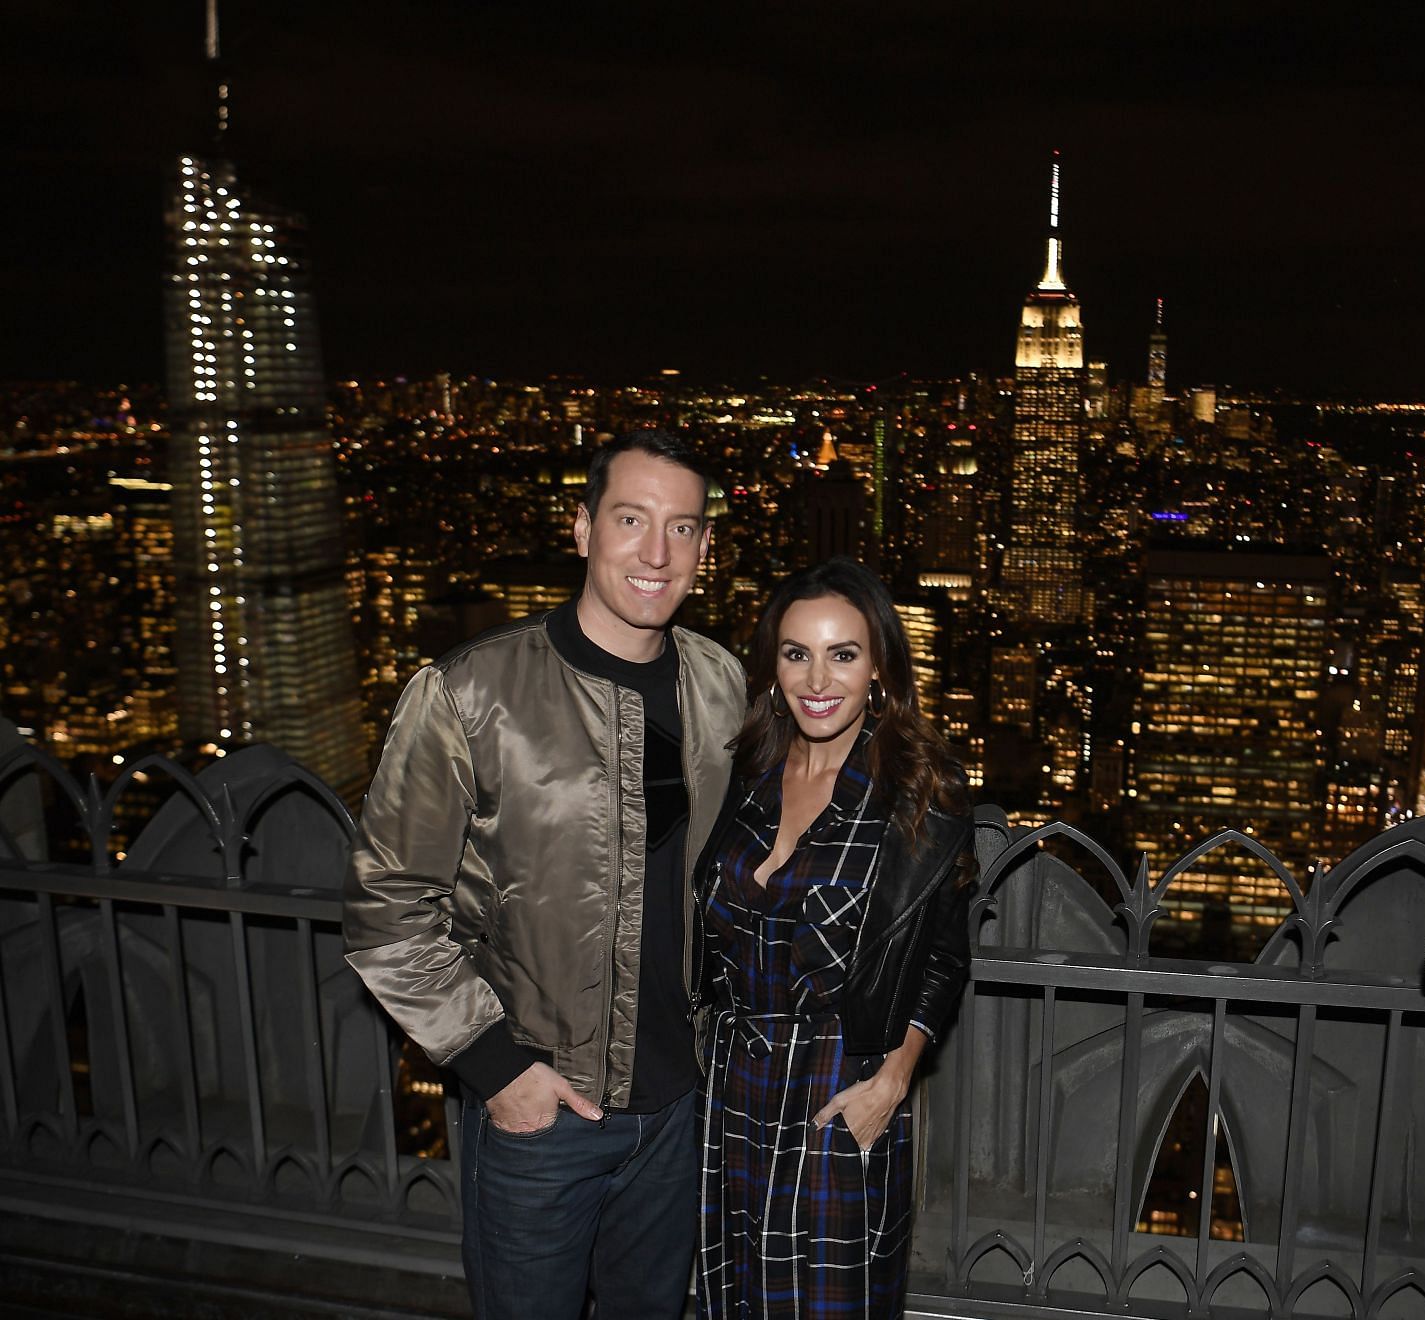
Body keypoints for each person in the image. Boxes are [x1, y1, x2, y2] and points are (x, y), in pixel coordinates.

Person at [343, 430, 745, 1320]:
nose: (656, 552)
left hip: (678, 1112)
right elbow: (386, 908)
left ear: (706, 549)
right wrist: (500, 1070)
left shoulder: (719, 683)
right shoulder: (470, 694)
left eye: (683, 529)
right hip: (541, 1115)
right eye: (631, 519)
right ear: (581, 528)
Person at [694, 557, 974, 1320]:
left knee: (829, 1303)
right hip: (730, 1086)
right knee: (736, 1295)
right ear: (774, 665)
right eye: (797, 653)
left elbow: (945, 955)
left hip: (835, 1084)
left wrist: (893, 1081)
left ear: (878, 666)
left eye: (842, 654)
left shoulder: (919, 787)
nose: (818, 679)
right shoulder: (747, 767)